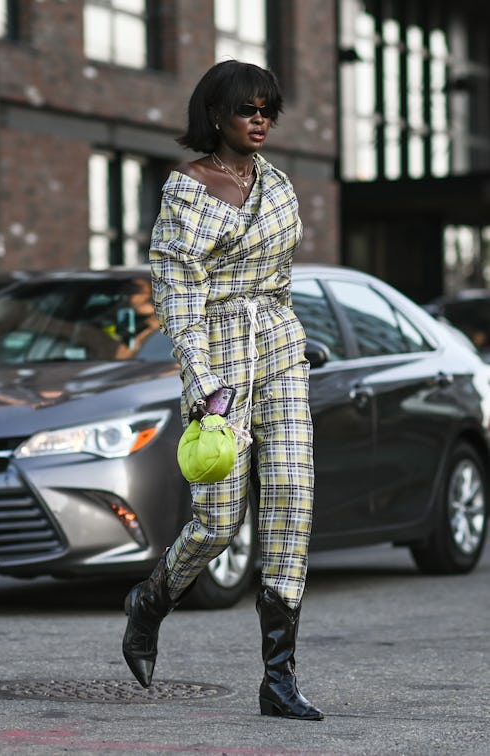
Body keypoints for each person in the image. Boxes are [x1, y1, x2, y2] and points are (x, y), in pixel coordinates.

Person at [122, 60, 323, 721]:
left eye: (268, 108)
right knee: (216, 523)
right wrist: (204, 382)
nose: (260, 119)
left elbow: (283, 277)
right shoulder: (186, 189)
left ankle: (279, 679)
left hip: (280, 354)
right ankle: (149, 603)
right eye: (247, 109)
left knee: (293, 504)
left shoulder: (282, 187)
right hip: (219, 366)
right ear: (216, 115)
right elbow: (178, 293)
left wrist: (292, 338)